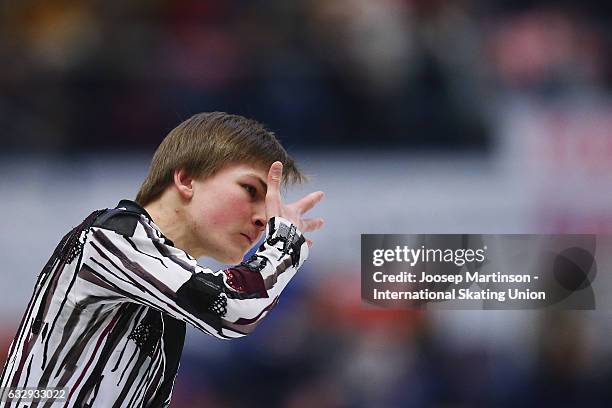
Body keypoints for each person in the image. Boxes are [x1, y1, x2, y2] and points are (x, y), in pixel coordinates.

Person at [0, 112, 324, 407]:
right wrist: (286, 243)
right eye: (250, 191)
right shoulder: (113, 236)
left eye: (269, 207)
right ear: (186, 180)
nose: (264, 219)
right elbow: (235, 308)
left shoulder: (166, 287)